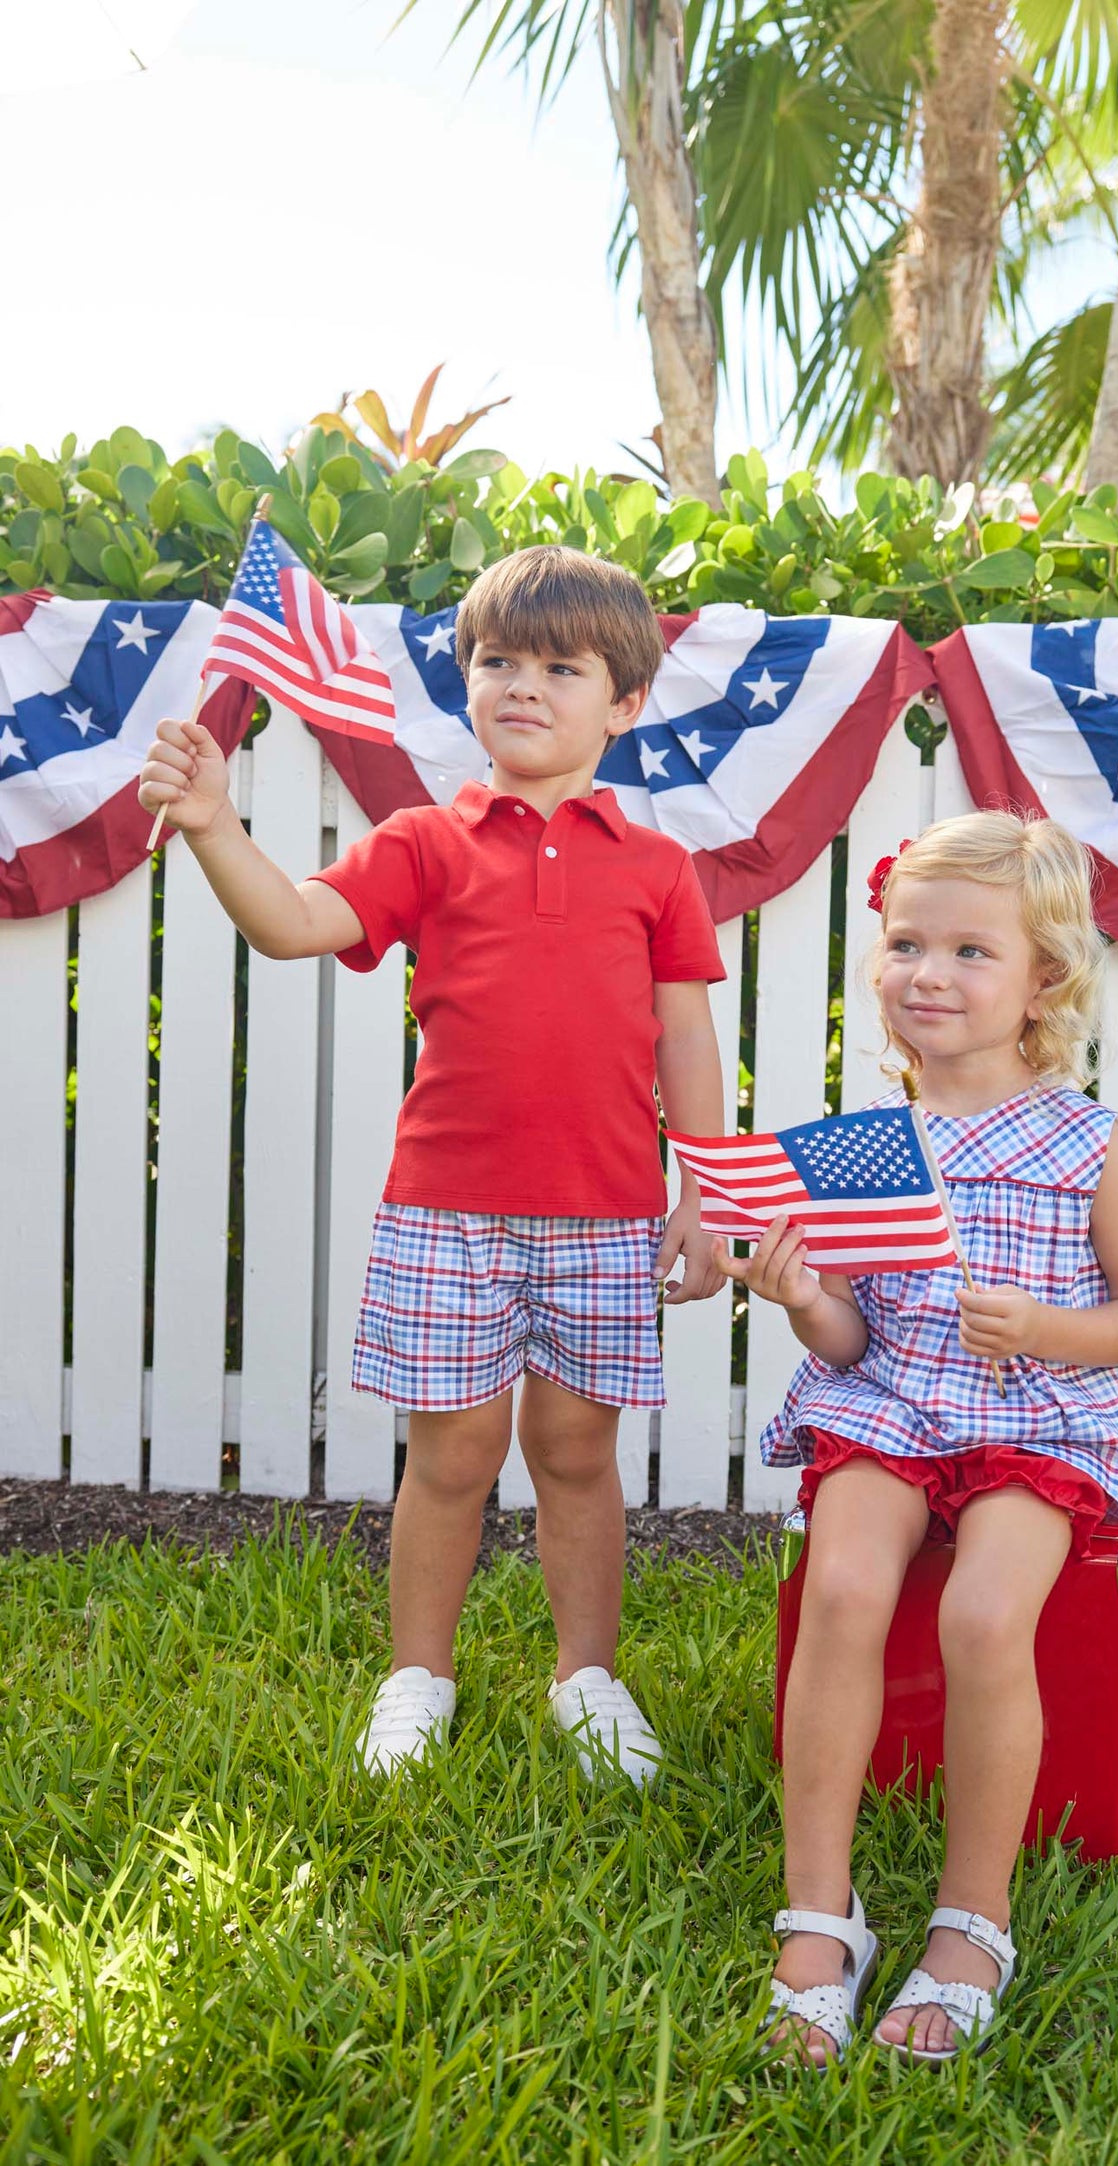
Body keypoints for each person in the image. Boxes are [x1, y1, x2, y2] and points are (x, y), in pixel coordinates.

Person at [138, 544, 727, 1787]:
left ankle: (586, 1677)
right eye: (496, 660)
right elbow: (294, 924)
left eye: (561, 667)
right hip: (446, 1213)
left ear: (622, 703)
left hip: (608, 1218)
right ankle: (419, 1677)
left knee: (576, 1453)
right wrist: (212, 826)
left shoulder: (655, 867)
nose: (522, 684)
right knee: (449, 1456)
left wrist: (705, 1189)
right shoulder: (424, 842)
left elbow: (683, 1034)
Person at [715, 812, 1118, 2066]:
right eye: (906, 943)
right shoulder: (865, 1145)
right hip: (894, 1402)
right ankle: (820, 1912)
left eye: (970, 952)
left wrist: (1038, 1325)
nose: (928, 972)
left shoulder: (1084, 1141)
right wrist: (802, 1292)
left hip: (1040, 1412)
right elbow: (854, 1342)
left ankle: (972, 1917)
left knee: (982, 1616)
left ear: (1044, 981)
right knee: (842, 1588)